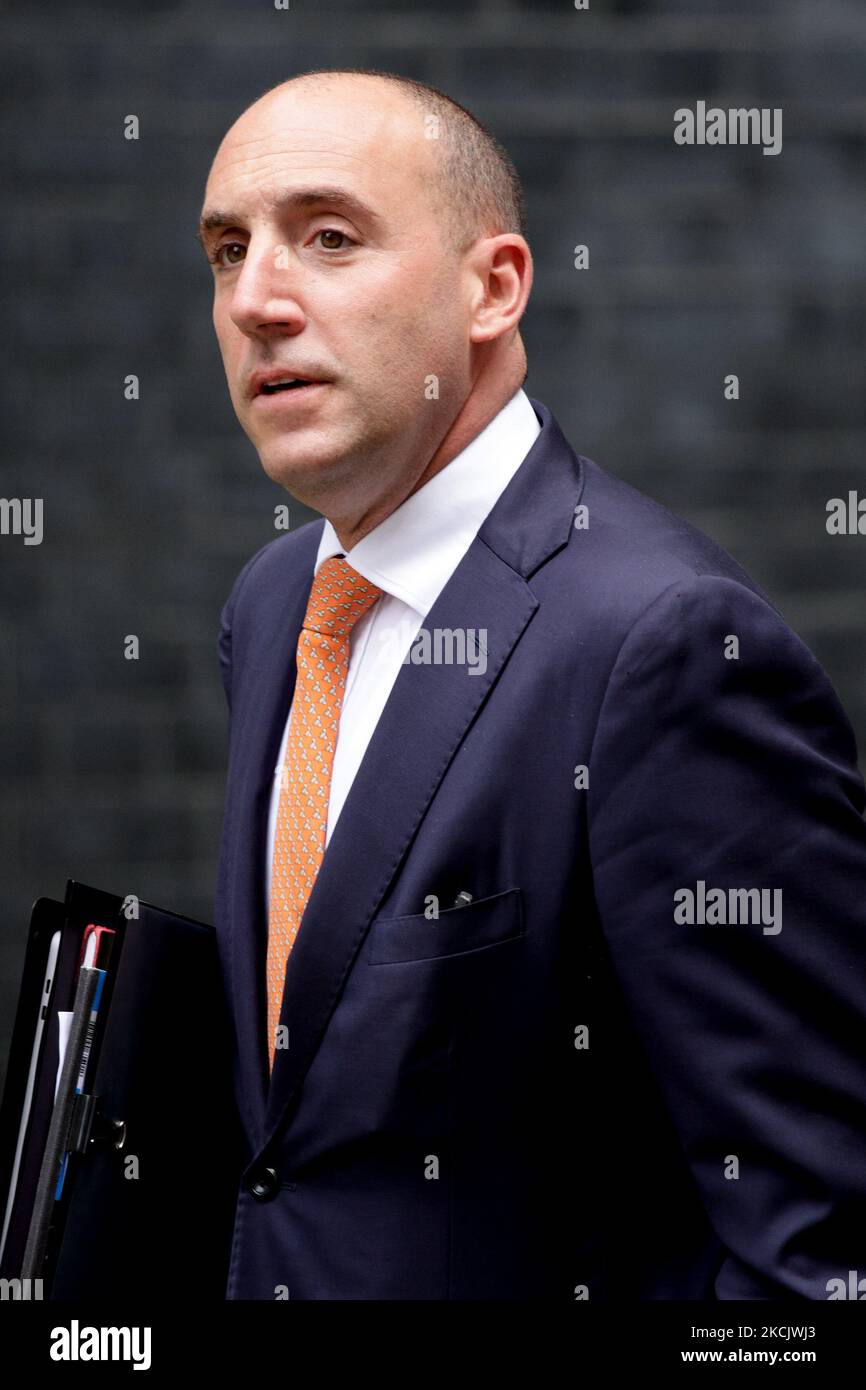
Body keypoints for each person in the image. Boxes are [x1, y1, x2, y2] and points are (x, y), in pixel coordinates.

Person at [202, 67, 866, 1300]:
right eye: (227, 250)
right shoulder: (275, 603)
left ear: (492, 287)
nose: (255, 300)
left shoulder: (664, 647)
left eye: (328, 238)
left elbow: (812, 1244)